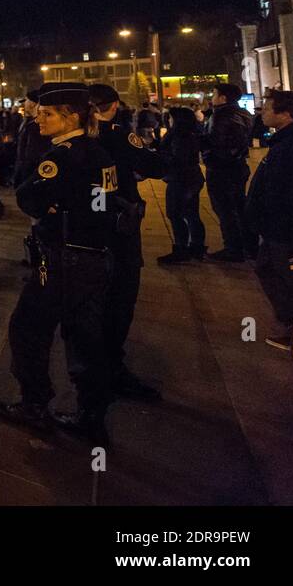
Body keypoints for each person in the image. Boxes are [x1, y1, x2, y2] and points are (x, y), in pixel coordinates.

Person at [0, 82, 120, 447]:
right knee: (85, 339)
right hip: (96, 255)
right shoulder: (99, 152)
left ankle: (35, 404)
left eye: (47, 114)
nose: (38, 120)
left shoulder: (62, 156)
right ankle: (90, 415)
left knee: (28, 329)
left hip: (62, 257)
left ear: (72, 116)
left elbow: (28, 197)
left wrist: (50, 205)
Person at [90, 83, 165, 403]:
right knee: (120, 296)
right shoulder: (120, 135)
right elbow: (155, 166)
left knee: (94, 299)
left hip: (88, 229)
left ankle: (94, 363)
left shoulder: (76, 139)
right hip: (119, 227)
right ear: (114, 105)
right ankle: (110, 366)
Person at [244, 88, 293, 358]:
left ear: (286, 114)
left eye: (267, 108)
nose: (262, 112)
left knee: (287, 277)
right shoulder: (283, 142)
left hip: (285, 228)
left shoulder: (291, 146)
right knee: (267, 267)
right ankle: (292, 322)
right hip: (276, 227)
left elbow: (286, 191)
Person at [201, 83, 255, 262]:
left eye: (214, 94)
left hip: (222, 169)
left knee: (225, 209)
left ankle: (233, 248)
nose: (212, 98)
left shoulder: (221, 116)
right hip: (238, 166)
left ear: (223, 98)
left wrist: (207, 154)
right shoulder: (242, 113)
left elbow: (218, 143)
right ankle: (249, 245)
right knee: (239, 206)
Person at [157, 106, 207, 264]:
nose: (169, 121)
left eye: (171, 118)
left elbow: (178, 158)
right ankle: (196, 247)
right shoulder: (192, 133)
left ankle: (181, 249)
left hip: (180, 179)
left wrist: (160, 161)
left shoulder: (179, 136)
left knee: (175, 214)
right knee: (192, 214)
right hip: (192, 178)